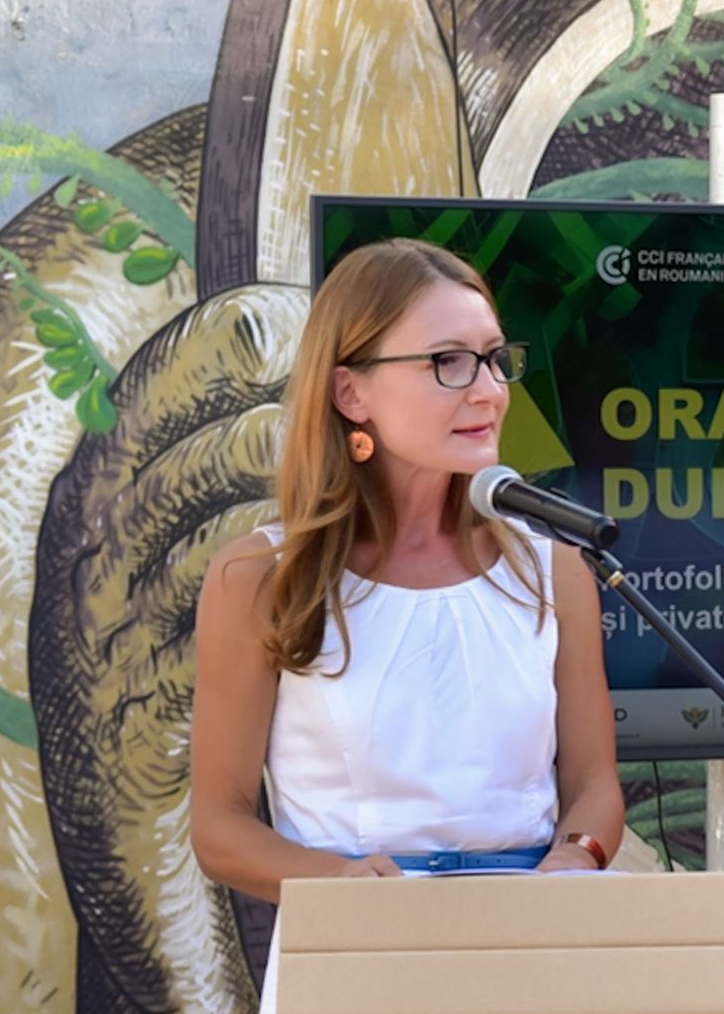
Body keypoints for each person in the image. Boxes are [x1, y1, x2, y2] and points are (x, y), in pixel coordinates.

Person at [190, 238, 624, 1009]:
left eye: (495, 359)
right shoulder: (259, 578)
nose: (489, 391)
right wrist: (342, 883)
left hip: (533, 959)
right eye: (448, 362)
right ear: (350, 393)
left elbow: (594, 786)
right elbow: (220, 827)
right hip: (356, 964)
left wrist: (577, 857)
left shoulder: (555, 572)